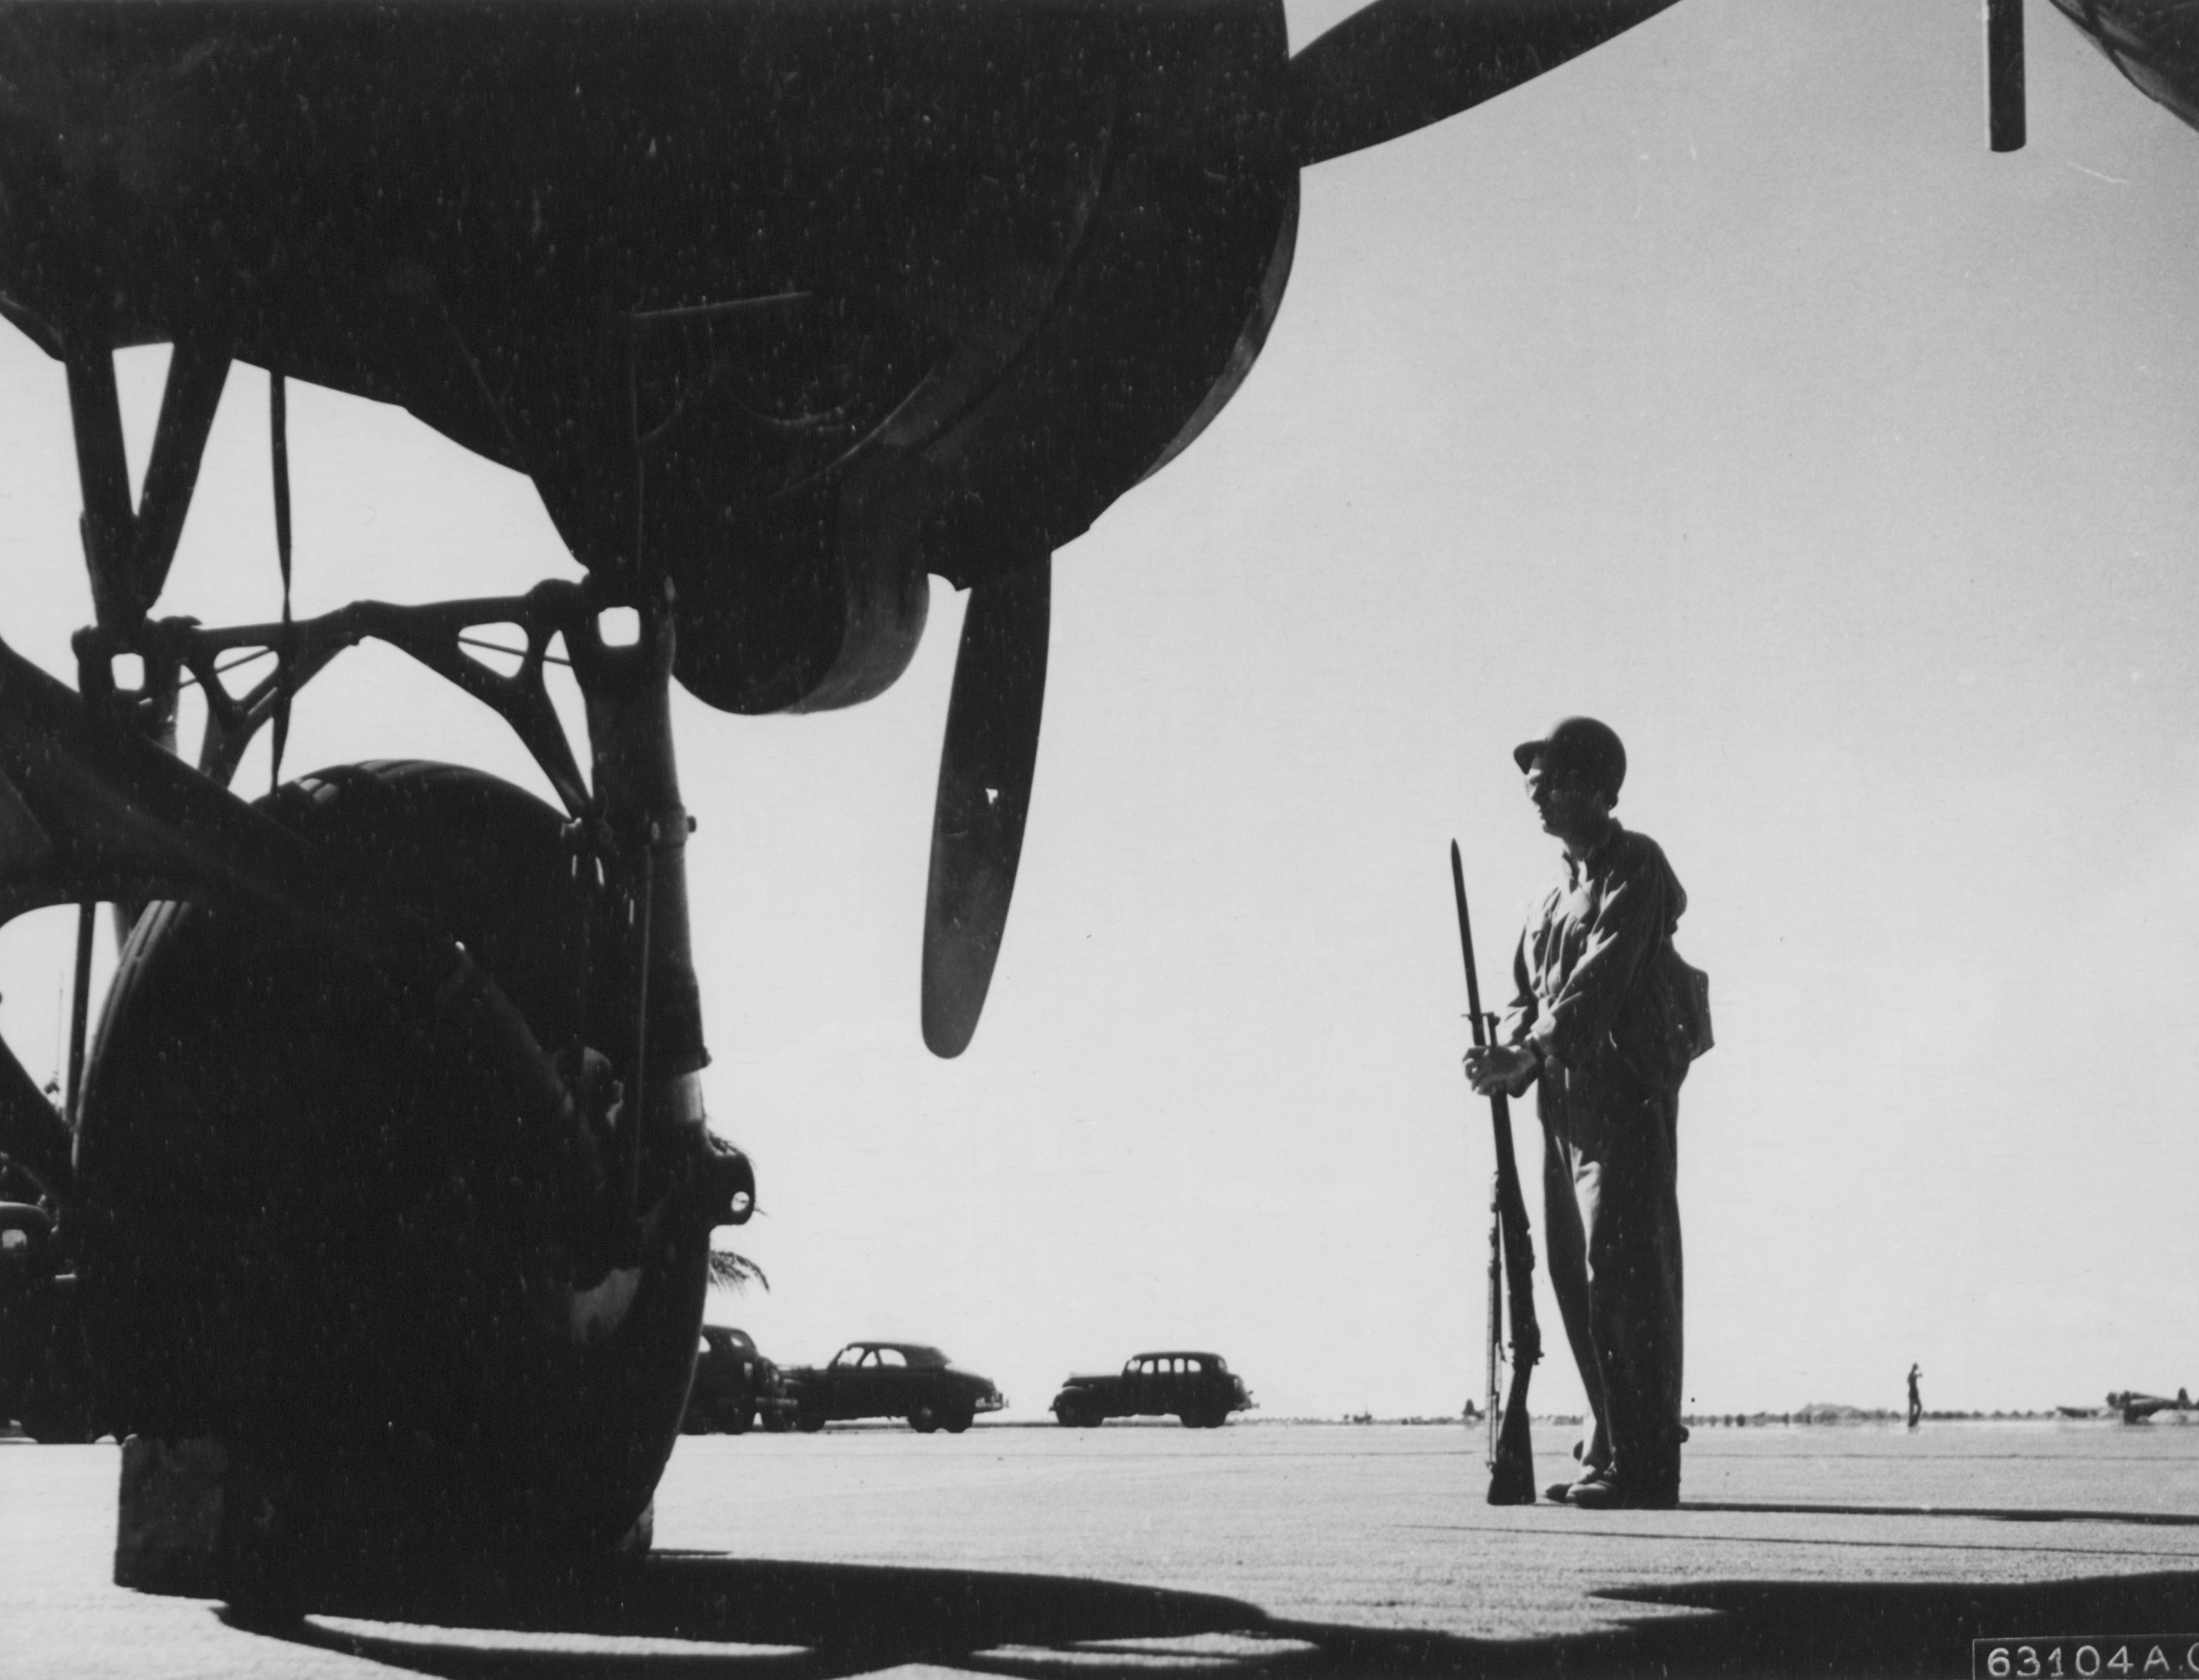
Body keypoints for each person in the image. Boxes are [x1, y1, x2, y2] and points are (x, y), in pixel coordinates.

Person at [1464, 717, 1705, 1511]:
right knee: (1569, 1269)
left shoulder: (1634, 864)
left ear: (1599, 789)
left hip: (1622, 1098)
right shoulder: (1543, 900)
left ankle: (1644, 1457)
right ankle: (1611, 1432)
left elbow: (1599, 981)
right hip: (1560, 1109)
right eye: (1532, 783)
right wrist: (1502, 1050)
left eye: (1553, 780)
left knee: (1624, 1270)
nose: (1536, 794)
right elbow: (1524, 992)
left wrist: (1528, 1052)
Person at [1907, 1364, 1923, 1430]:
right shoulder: (1911, 1375)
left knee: (1919, 1407)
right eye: (1916, 1368)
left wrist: (1918, 1376)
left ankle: (1913, 1422)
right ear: (1914, 1368)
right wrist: (1917, 1376)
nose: (1916, 1370)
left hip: (1915, 1394)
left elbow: (1915, 1377)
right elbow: (1910, 1381)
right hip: (1912, 1394)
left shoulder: (1913, 1375)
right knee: (1912, 1410)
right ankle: (1911, 1423)